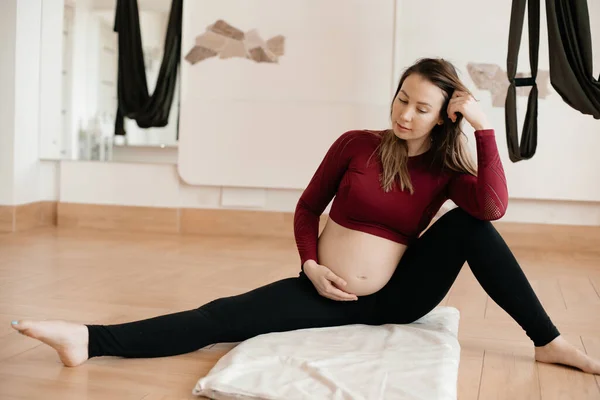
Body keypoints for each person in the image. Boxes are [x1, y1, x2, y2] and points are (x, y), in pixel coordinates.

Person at [10, 58, 600, 375]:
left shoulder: (447, 170)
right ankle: (88, 339)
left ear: (444, 115)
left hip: (396, 298)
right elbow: (307, 207)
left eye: (422, 107)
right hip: (323, 289)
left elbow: (492, 207)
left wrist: (484, 126)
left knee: (473, 227)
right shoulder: (356, 144)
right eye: (401, 97)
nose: (405, 113)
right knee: (222, 316)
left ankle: (547, 340)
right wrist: (311, 265)